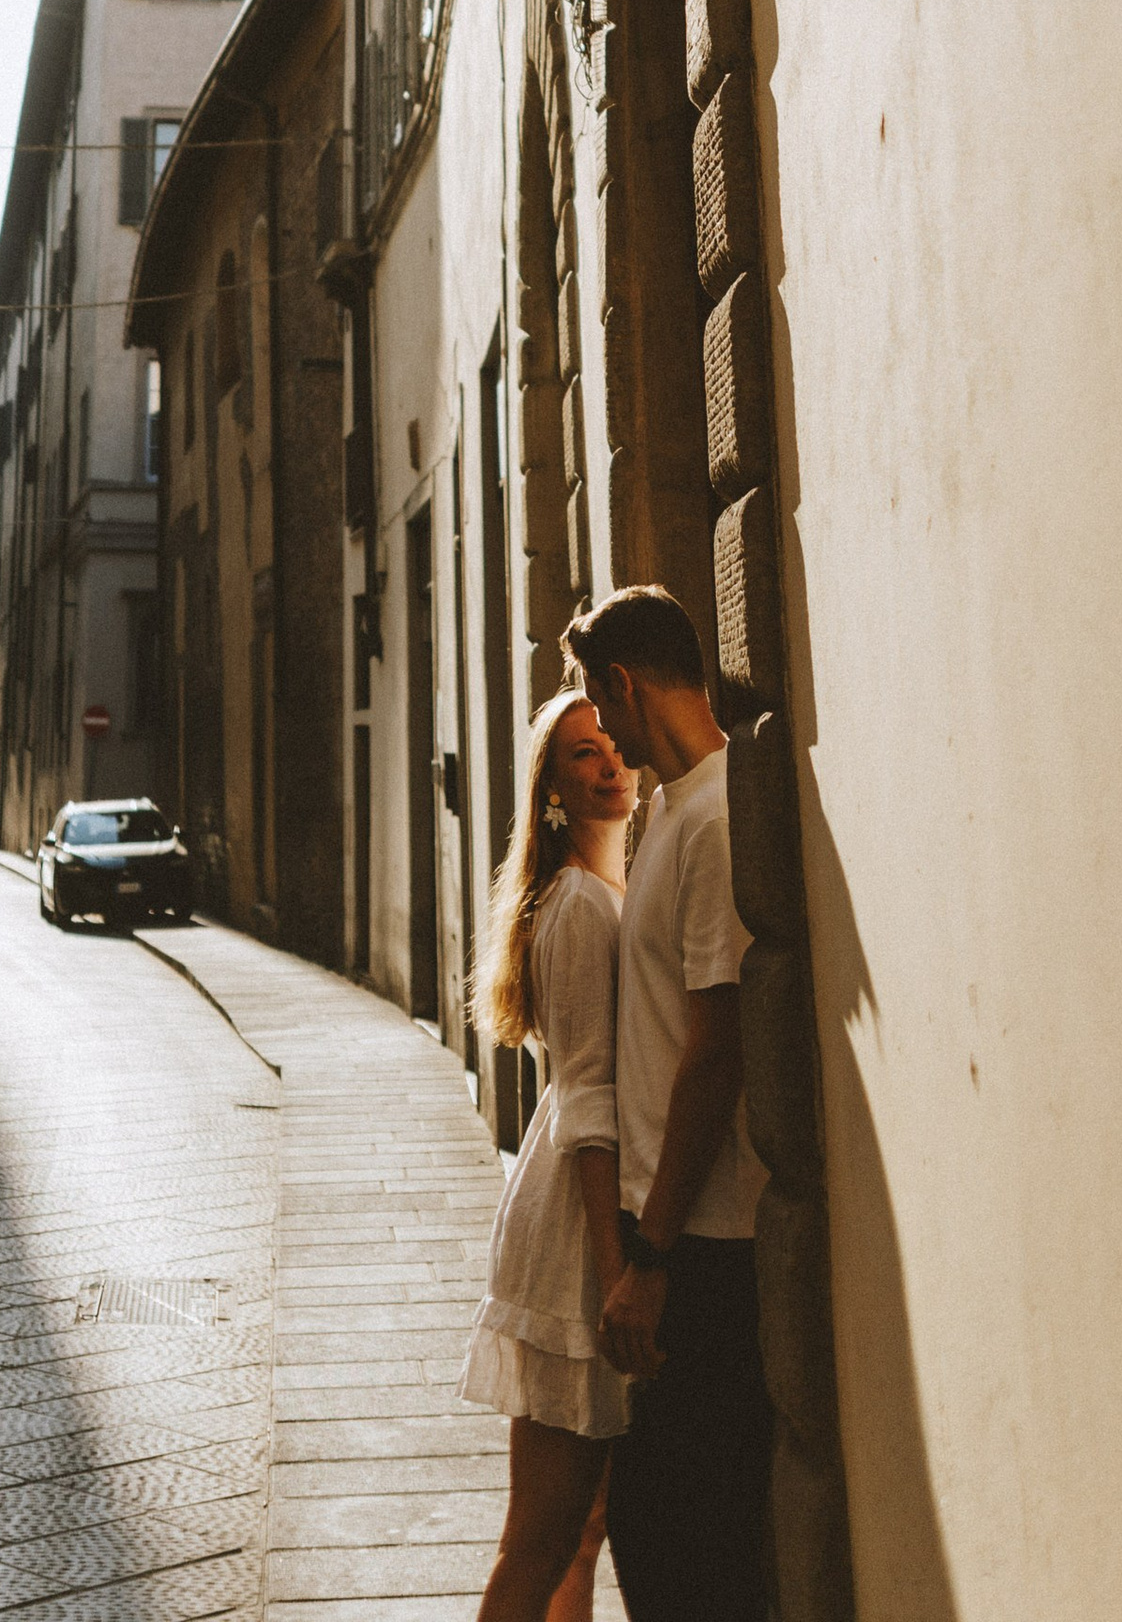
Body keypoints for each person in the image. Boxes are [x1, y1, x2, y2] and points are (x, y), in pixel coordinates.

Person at [564, 589, 770, 1622]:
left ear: (622, 684)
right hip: (680, 1239)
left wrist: (648, 1258)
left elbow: (715, 1045)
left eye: (600, 708)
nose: (603, 732)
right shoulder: (674, 811)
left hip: (704, 1244)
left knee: (687, 1551)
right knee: (665, 1538)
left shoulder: (716, 817)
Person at [461, 690, 641, 1622]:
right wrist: (616, 1270)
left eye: (612, 745)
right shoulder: (577, 904)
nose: (608, 763)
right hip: (577, 1231)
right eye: (581, 755)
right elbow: (585, 1098)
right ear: (553, 792)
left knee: (584, 1528)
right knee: (540, 1536)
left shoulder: (609, 889)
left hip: (586, 1217)